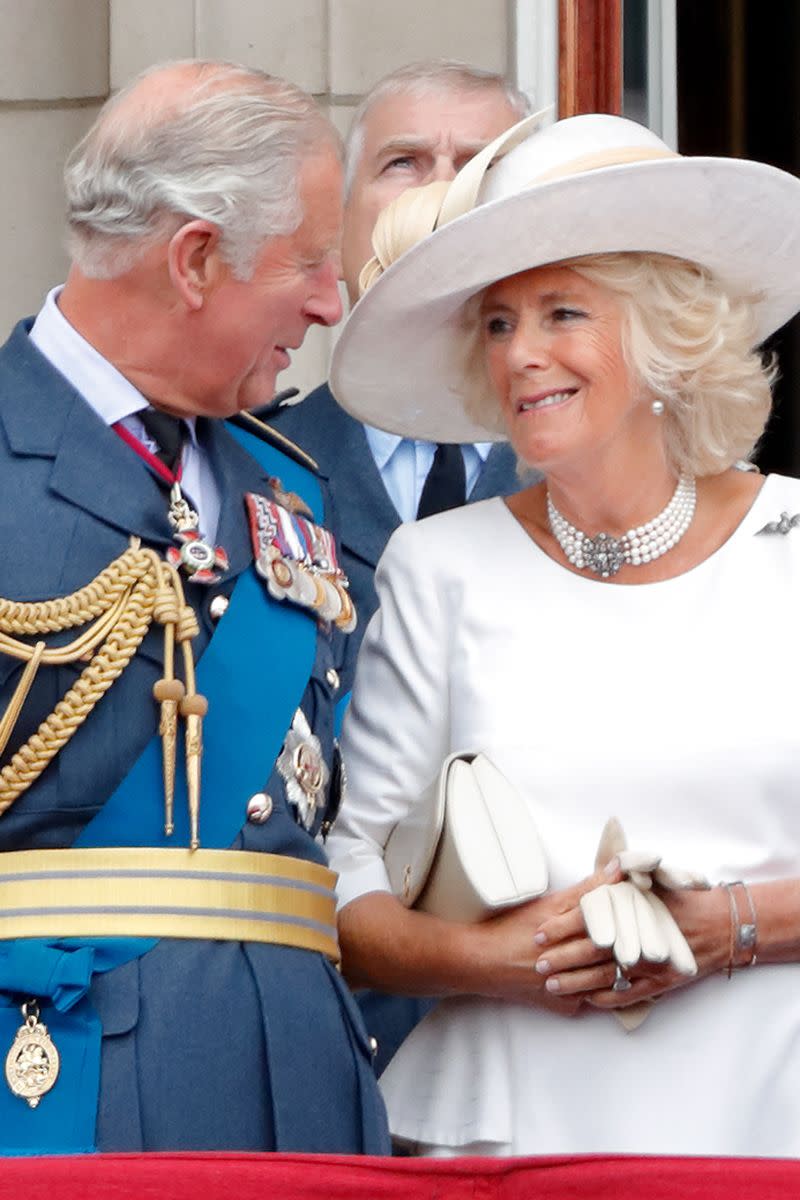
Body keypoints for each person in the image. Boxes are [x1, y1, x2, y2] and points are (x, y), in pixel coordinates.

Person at [325, 111, 800, 1158]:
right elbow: (347, 886)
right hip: (505, 1137)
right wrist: (506, 960)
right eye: (498, 324)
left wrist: (731, 927)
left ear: (662, 334)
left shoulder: (791, 546)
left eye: (560, 313)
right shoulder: (437, 566)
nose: (522, 356)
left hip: (764, 1124)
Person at [0, 59, 389, 1156]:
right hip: (57, 1087)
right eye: (308, 261)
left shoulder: (290, 485)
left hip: (301, 1095)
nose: (328, 301)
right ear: (195, 258)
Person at [271, 61, 531, 692]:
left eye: (481, 166)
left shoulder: (604, 470)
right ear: (334, 237)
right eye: (404, 162)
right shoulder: (252, 464)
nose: (442, 190)